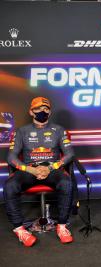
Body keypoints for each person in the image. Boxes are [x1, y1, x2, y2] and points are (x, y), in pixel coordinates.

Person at [3, 97, 74, 246]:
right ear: (31, 111)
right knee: (10, 185)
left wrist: (49, 168)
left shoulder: (59, 130)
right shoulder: (21, 131)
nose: (42, 111)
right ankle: (19, 229)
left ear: (50, 112)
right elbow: (11, 157)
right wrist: (31, 170)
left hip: (52, 169)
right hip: (29, 170)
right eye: (38, 109)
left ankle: (61, 226)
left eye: (46, 109)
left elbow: (69, 154)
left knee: (66, 183)